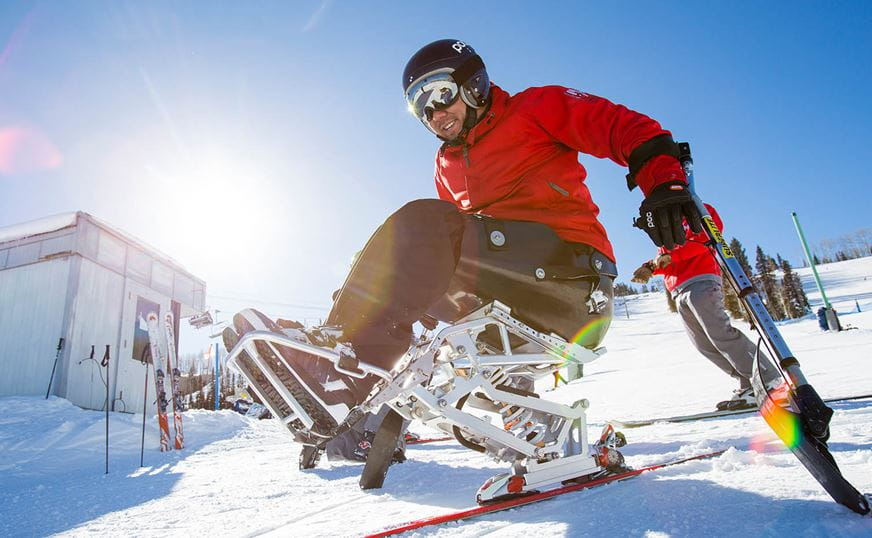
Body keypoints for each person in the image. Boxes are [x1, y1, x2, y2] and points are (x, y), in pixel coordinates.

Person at [226, 38, 702, 440]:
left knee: (421, 224)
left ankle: (339, 359)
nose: (433, 112)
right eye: (420, 105)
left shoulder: (536, 107)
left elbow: (627, 128)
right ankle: (350, 393)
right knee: (402, 260)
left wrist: (664, 184)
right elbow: (428, 265)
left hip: (572, 278)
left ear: (473, 84)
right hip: (509, 290)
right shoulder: (446, 164)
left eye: (440, 93)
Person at [631, 203, 779, 410]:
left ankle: (768, 379)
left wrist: (671, 256)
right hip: (679, 289)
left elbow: (708, 239)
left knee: (720, 334)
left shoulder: (695, 209)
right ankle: (749, 384)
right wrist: (649, 267)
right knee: (703, 345)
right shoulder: (667, 223)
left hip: (701, 279)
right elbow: (666, 257)